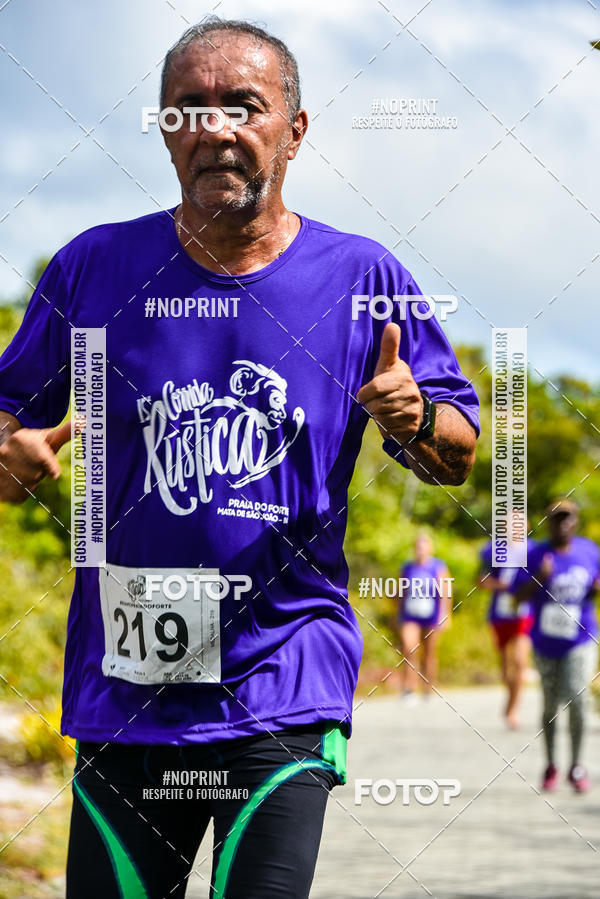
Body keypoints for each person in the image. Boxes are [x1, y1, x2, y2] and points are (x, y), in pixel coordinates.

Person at [0, 17, 479, 898]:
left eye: (242, 106)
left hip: (285, 677)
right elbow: (7, 422)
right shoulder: (93, 268)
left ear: (294, 131)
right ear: (164, 130)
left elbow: (459, 449)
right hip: (127, 691)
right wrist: (9, 456)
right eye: (188, 107)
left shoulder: (363, 277)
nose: (214, 127)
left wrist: (415, 420)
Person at [514, 499, 599, 793]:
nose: (562, 524)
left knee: (577, 697)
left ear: (575, 522)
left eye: (567, 518)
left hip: (580, 639)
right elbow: (517, 598)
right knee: (550, 703)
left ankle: (576, 766)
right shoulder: (535, 554)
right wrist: (540, 577)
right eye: (556, 519)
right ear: (548, 523)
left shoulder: (589, 551)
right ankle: (551, 764)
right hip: (545, 641)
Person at [478, 521, 536, 729]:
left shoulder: (534, 550)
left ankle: (512, 710)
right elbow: (481, 580)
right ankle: (510, 699)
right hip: (500, 614)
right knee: (506, 668)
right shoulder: (493, 550)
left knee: (520, 661)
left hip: (525, 613)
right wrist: (502, 586)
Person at [397, 533, 451, 703]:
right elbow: (400, 592)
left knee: (429, 652)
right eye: (418, 547)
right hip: (410, 615)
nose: (420, 550)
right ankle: (409, 689)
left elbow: (445, 593)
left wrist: (445, 616)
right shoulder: (407, 567)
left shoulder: (438, 566)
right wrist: (397, 614)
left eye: (424, 546)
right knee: (409, 649)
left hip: (432, 616)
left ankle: (428, 688)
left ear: (430, 548)